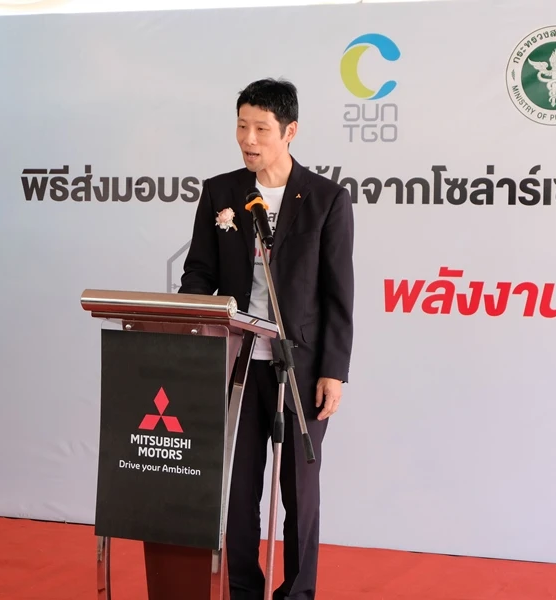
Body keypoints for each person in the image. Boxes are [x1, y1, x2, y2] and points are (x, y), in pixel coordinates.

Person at [177, 78, 354, 600]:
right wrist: (186, 326)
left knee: (300, 493)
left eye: (260, 128)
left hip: (300, 368)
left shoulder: (326, 200)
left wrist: (333, 371)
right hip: (237, 362)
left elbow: (338, 294)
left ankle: (297, 593)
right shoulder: (221, 192)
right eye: (241, 126)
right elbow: (199, 272)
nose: (248, 139)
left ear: (289, 131)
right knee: (237, 490)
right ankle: (240, 591)